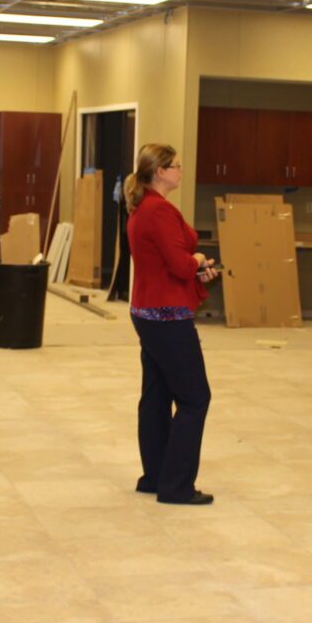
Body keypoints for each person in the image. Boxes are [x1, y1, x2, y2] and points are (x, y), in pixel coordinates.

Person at [123, 144, 221, 505]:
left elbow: (167, 262)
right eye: (176, 166)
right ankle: (176, 486)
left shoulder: (142, 207)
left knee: (157, 396)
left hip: (147, 310)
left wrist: (196, 267)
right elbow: (180, 265)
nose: (181, 170)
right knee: (195, 398)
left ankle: (155, 476)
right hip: (167, 315)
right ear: (161, 171)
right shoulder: (159, 210)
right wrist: (197, 258)